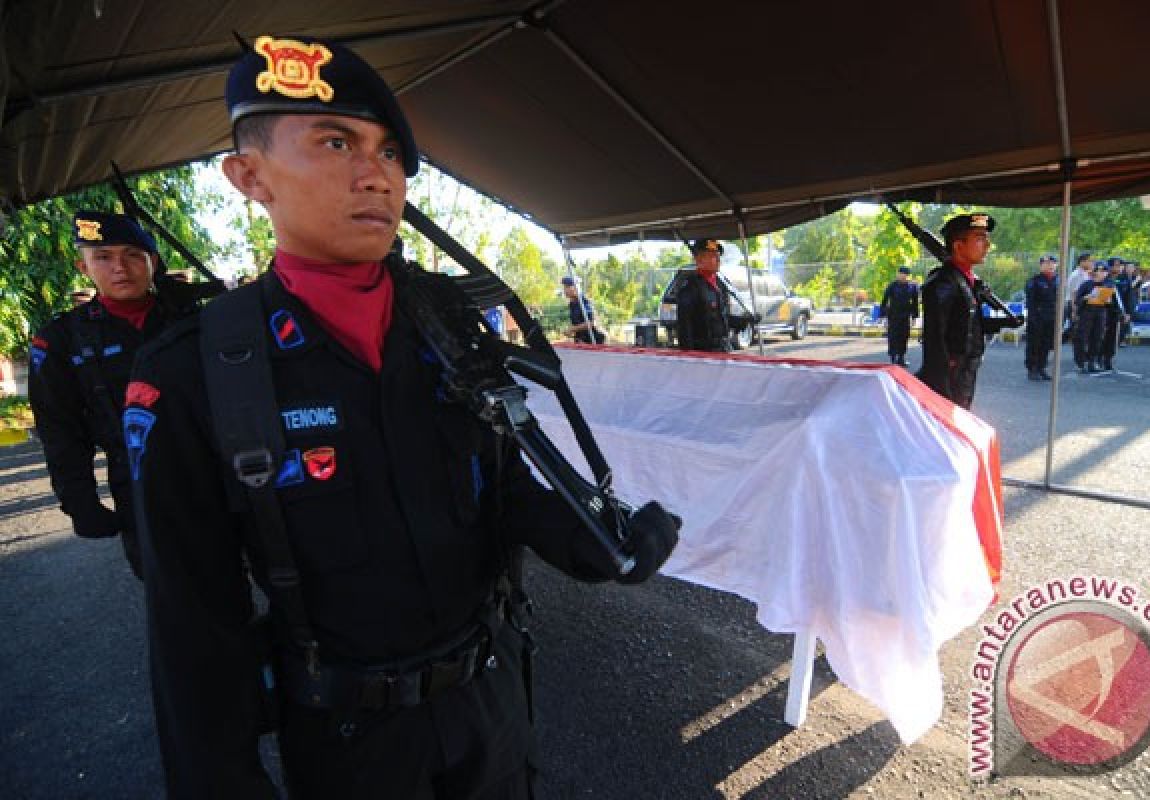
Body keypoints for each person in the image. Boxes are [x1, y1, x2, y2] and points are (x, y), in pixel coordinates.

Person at [127, 35, 679, 799]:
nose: (376, 176)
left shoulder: (447, 324)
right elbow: (192, 626)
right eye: (334, 141)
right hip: (351, 745)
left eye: (390, 155)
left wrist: (592, 544)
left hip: (490, 703)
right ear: (249, 176)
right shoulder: (194, 372)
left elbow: (502, 484)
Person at [27, 211, 180, 578]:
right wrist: (78, 499)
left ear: (153, 262)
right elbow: (59, 427)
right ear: (84, 267)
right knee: (166, 589)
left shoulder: (190, 319)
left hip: (213, 469)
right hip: (136, 480)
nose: (120, 268)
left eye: (132, 255)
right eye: (103, 257)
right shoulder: (62, 340)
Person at [915, 213, 1021, 409]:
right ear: (958, 246)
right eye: (980, 239)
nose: (987, 245)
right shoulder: (943, 283)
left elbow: (969, 325)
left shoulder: (967, 281)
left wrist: (1003, 322)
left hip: (965, 373)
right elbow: (935, 342)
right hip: (948, 379)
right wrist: (942, 394)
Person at [674, 237, 734, 352]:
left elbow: (721, 317)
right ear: (699, 260)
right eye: (712, 256)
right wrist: (689, 356)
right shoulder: (691, 287)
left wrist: (742, 321)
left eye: (718, 256)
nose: (717, 259)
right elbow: (684, 328)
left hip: (722, 349)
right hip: (703, 352)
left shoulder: (720, 285)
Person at [1074, 260, 1126, 373]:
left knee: (1097, 338)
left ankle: (1092, 361)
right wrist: (1086, 298)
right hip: (1086, 314)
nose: (1100, 273)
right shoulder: (1086, 284)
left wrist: (1110, 302)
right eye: (1098, 270)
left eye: (1103, 271)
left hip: (1101, 313)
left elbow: (1116, 304)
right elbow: (1077, 300)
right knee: (1082, 339)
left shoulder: (1110, 285)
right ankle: (1081, 363)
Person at [1023, 255, 1058, 380]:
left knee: (1046, 344)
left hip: (1052, 318)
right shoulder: (1035, 281)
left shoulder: (1058, 280)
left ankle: (1041, 367)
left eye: (1052, 263)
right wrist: (1033, 318)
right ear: (1041, 265)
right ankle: (1032, 369)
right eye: (1046, 263)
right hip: (1037, 318)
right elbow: (1030, 302)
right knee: (1034, 344)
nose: (1050, 265)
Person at [879, 265, 919, 366]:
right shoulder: (892, 286)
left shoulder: (912, 287)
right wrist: (883, 316)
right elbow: (884, 300)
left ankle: (901, 358)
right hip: (893, 316)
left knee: (904, 337)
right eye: (900, 273)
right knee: (893, 337)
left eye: (903, 274)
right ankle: (893, 359)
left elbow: (915, 303)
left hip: (905, 317)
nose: (901, 276)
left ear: (907, 276)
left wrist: (914, 317)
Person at [1065, 253, 1094, 371]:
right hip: (1076, 306)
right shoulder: (1077, 275)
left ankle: (1084, 358)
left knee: (1084, 334)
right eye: (1089, 261)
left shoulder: (1086, 274)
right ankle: (1079, 360)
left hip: (1084, 306)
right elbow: (1074, 294)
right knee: (1079, 335)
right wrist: (1075, 311)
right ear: (1082, 262)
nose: (1092, 263)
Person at [561, 275, 605, 344]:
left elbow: (592, 322)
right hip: (582, 341)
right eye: (564, 287)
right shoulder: (572, 304)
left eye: (567, 287)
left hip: (595, 340)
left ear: (576, 288)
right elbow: (578, 323)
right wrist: (570, 331)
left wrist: (573, 329)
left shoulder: (584, 302)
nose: (565, 290)